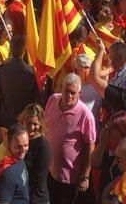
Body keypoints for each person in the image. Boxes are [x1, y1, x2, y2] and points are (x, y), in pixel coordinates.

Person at [44, 74, 95, 204]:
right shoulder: (52, 100)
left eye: (73, 93)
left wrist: (86, 176)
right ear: (61, 88)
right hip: (48, 169)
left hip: (68, 177)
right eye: (67, 91)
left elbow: (90, 145)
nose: (69, 96)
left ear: (80, 93)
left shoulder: (85, 115)